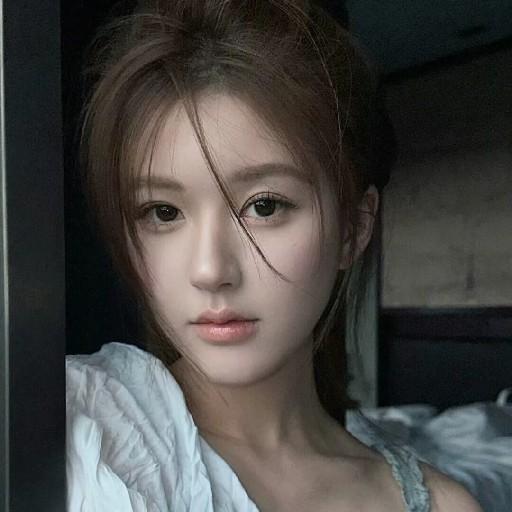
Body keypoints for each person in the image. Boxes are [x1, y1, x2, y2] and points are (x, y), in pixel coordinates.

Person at [66, 1, 483, 510]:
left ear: (354, 226)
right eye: (163, 212)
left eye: (263, 206)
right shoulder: (74, 433)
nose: (210, 270)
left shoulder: (438, 504)